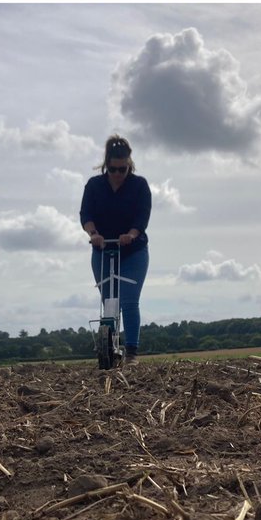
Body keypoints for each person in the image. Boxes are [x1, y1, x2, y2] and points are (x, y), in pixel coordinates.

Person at [79, 135, 151, 364]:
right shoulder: (94, 186)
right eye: (113, 169)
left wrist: (131, 235)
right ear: (106, 165)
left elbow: (142, 217)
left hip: (133, 251)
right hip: (103, 249)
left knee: (129, 300)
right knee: (109, 300)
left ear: (129, 165)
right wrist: (94, 234)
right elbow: (86, 215)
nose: (118, 174)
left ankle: (131, 353)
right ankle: (109, 346)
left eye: (123, 169)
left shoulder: (139, 186)